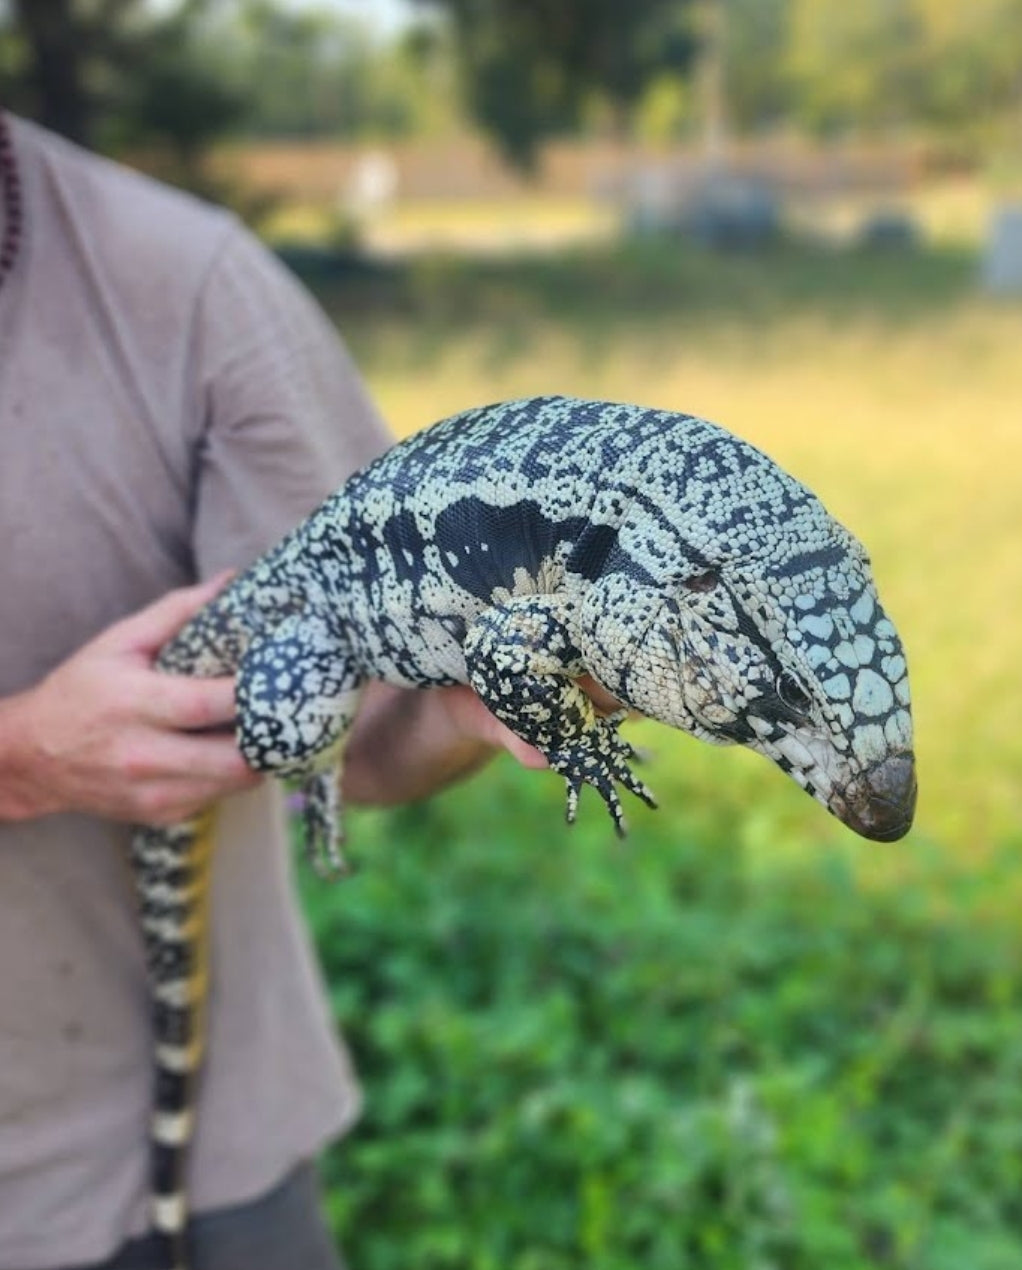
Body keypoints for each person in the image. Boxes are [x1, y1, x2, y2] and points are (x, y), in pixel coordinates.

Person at [0, 109, 545, 1270]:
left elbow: (353, 735)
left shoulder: (187, 287)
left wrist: (456, 704)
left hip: (205, 1177)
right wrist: (23, 755)